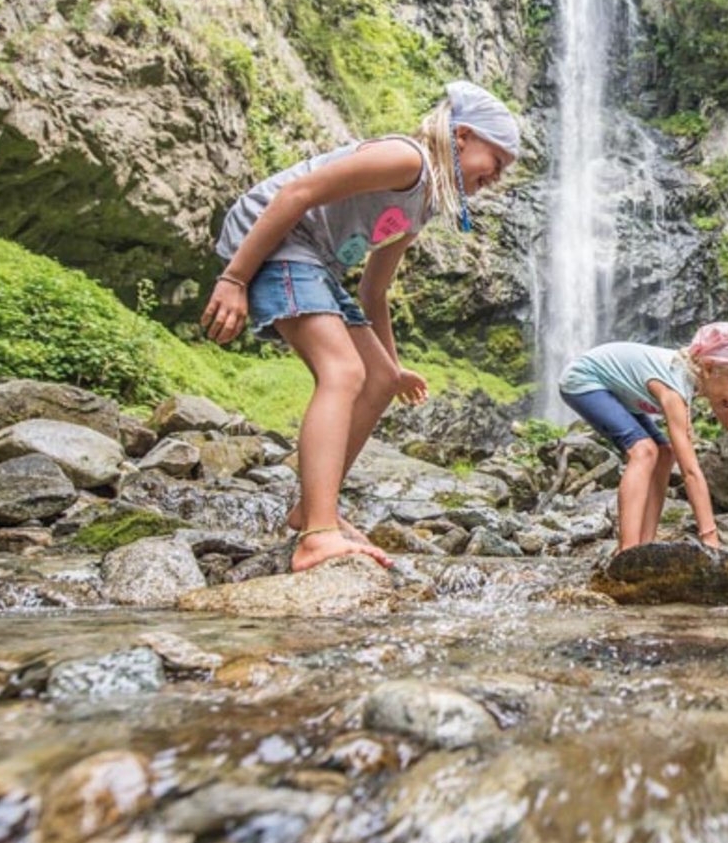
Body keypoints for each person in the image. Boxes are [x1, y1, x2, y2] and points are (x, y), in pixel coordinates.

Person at [199, 81, 521, 571]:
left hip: (316, 263)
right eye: (496, 162)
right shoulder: (405, 159)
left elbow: (374, 290)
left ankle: (311, 508)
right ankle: (318, 534)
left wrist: (392, 366)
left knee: (378, 379)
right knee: (343, 373)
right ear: (463, 138)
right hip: (277, 239)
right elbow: (298, 191)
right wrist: (234, 278)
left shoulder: (425, 200)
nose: (496, 177)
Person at [559, 323, 728, 551]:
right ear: (709, 368)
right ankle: (627, 549)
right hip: (584, 381)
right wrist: (709, 536)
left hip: (620, 392)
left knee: (666, 453)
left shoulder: (705, 379)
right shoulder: (674, 390)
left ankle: (646, 543)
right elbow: (691, 472)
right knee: (643, 451)